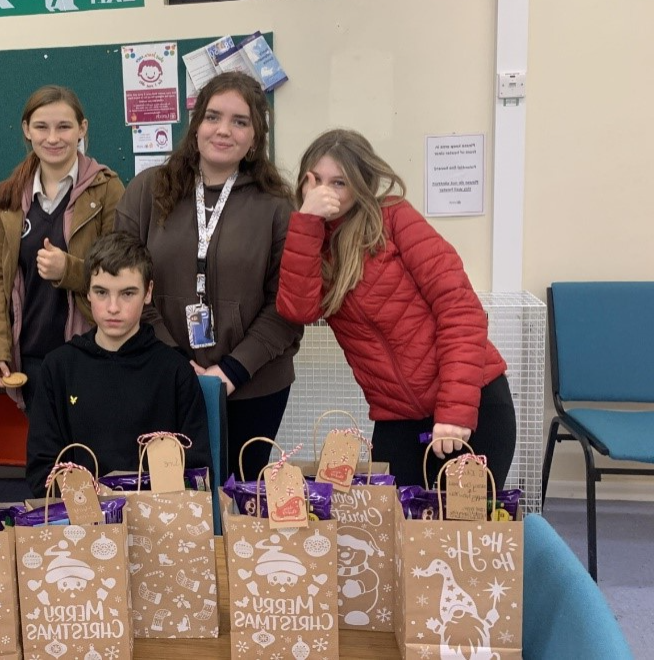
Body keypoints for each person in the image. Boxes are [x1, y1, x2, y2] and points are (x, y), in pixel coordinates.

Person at [276, 128, 516, 488]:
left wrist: (453, 410)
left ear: (361, 184)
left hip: (470, 403)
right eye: (317, 182)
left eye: (339, 183)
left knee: (463, 538)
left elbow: (460, 311)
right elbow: (298, 310)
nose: (326, 193)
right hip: (396, 417)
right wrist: (307, 222)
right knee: (396, 533)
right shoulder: (312, 244)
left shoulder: (395, 218)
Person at [115, 71, 303, 482]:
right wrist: (177, 364)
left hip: (253, 384)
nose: (224, 130)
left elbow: (288, 305)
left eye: (240, 121)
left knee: (242, 499)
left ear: (256, 137)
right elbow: (124, 285)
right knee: (171, 500)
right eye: (213, 116)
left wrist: (231, 372)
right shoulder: (149, 190)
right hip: (165, 377)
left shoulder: (277, 206)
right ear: (196, 124)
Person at [25, 231, 212, 494]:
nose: (113, 307)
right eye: (101, 292)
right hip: (79, 523)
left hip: (158, 523)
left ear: (148, 293)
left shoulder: (175, 371)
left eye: (127, 294)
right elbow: (41, 470)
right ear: (87, 291)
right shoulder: (58, 368)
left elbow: (197, 472)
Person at [0, 85, 124, 413]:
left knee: (91, 454)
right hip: (30, 355)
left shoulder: (107, 189)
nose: (53, 138)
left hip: (90, 350)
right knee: (46, 455)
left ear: (82, 129)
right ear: (27, 130)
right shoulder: (9, 197)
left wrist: (69, 271)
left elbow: (124, 273)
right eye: (42, 127)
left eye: (64, 127)